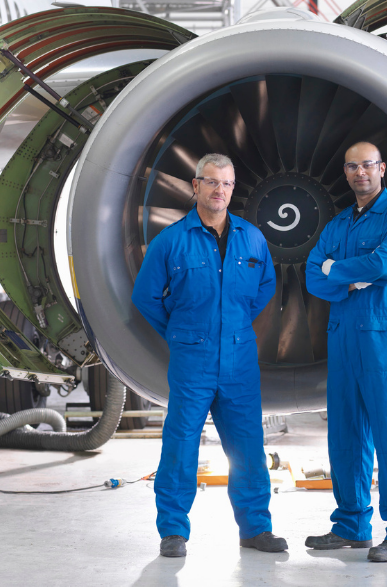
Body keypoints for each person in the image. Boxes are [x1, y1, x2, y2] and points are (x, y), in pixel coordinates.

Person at [131, 153, 287, 558]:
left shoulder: (252, 238)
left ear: (233, 189)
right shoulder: (171, 241)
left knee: (248, 447)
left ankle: (256, 529)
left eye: (227, 184)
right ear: (196, 185)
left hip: (239, 360)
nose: (220, 190)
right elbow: (145, 296)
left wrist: (234, 323)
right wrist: (181, 332)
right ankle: (173, 531)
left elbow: (265, 287)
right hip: (192, 361)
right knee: (181, 445)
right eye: (212, 182)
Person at [304, 141, 387, 563]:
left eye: (368, 165)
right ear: (346, 172)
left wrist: (335, 270)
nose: (361, 172)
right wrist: (351, 277)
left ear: (382, 168)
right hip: (343, 337)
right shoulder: (338, 224)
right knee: (345, 436)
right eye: (353, 166)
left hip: (386, 336)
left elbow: (386, 266)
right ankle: (352, 525)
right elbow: (312, 277)